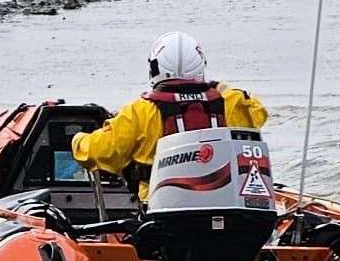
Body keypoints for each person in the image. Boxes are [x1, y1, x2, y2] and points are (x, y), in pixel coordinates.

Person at [71, 32, 269, 203]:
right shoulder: (231, 102)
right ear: (201, 65)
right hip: (226, 207)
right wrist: (221, 88)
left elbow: (100, 153)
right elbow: (258, 113)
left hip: (163, 212)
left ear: (155, 68)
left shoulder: (140, 111)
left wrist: (78, 140)